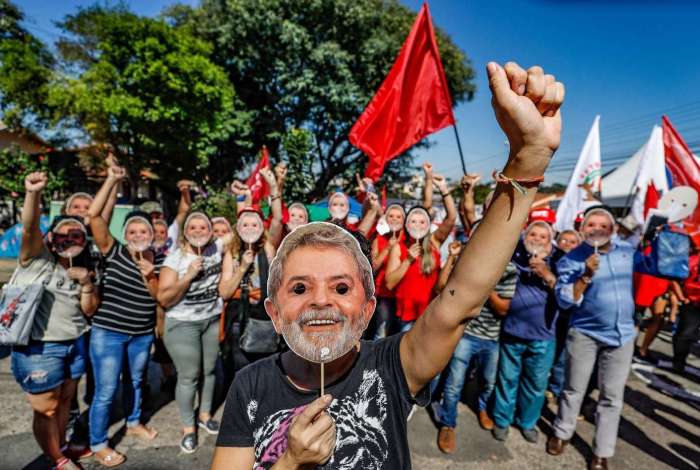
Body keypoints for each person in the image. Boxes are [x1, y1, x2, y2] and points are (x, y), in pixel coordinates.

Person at [210, 60, 565, 469]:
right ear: (273, 311)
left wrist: (529, 160)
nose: (321, 301)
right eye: (300, 288)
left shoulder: (393, 367)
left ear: (367, 306)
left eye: (342, 287)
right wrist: (291, 462)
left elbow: (462, 300)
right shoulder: (249, 385)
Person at [11, 172, 99, 470]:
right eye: (62, 234)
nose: (69, 240)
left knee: (64, 402)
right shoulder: (36, 257)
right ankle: (58, 460)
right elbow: (29, 227)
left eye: (76, 236)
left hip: (73, 344)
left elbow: (88, 311)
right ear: (51, 238)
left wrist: (87, 284)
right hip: (39, 349)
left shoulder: (81, 267)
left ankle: (60, 447)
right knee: (46, 409)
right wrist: (33, 193)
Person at [548, 207, 638, 470]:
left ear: (613, 228)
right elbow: (566, 301)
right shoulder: (572, 258)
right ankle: (562, 432)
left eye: (603, 225)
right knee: (573, 389)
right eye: (591, 225)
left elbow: (654, 264)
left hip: (622, 335)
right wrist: (585, 275)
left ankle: (601, 451)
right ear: (583, 229)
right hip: (585, 333)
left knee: (611, 396)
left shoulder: (626, 251)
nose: (597, 229)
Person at [86, 164, 160, 466]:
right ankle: (98, 442)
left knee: (136, 381)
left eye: (144, 230)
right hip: (109, 333)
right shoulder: (112, 250)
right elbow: (93, 217)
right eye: (133, 231)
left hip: (142, 333)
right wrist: (112, 180)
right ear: (124, 234)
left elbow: (158, 298)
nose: (138, 234)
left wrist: (150, 275)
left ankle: (133, 422)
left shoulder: (155, 258)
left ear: (153, 235)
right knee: (106, 390)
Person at [435, 236, 518, 453]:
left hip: (492, 338)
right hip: (466, 333)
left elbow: (502, 309)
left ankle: (482, 408)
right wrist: (454, 260)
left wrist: (486, 283)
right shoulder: (467, 263)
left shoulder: (509, 270)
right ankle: (447, 424)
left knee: (489, 382)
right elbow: (444, 289)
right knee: (454, 383)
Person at [158, 211, 226, 453]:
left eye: (203, 227)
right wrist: (187, 277)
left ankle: (204, 415)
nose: (198, 231)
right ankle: (188, 428)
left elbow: (246, 230)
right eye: (193, 228)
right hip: (182, 324)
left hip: (210, 320)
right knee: (189, 376)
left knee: (209, 370)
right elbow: (164, 298)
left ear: (211, 231)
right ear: (185, 232)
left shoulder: (217, 247)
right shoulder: (175, 259)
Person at [491, 221, 562, 444]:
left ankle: (527, 423)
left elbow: (567, 296)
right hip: (513, 331)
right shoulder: (514, 255)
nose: (537, 239)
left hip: (544, 336)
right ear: (525, 236)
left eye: (543, 236)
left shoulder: (559, 261)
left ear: (550, 241)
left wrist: (546, 273)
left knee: (536, 384)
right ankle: (502, 421)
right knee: (507, 380)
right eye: (533, 234)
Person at [385, 172, 456, 332]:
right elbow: (389, 284)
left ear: (428, 225)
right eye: (413, 221)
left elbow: (451, 217)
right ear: (407, 225)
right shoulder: (399, 247)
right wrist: (408, 260)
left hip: (430, 313)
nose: (417, 225)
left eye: (422, 221)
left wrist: (444, 189)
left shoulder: (435, 242)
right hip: (406, 317)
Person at [546, 229, 582, 402]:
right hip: (550, 312)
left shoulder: (581, 264)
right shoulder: (550, 259)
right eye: (563, 240)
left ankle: (555, 386)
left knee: (562, 352)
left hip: (569, 315)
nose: (567, 244)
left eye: (572, 242)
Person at [368, 203, 405, 340]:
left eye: (398, 217)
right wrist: (388, 248)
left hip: (403, 293)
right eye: (391, 216)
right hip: (384, 293)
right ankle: (378, 359)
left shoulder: (409, 239)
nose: (395, 219)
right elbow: (373, 267)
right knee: (382, 331)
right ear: (386, 219)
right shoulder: (379, 238)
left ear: (404, 220)